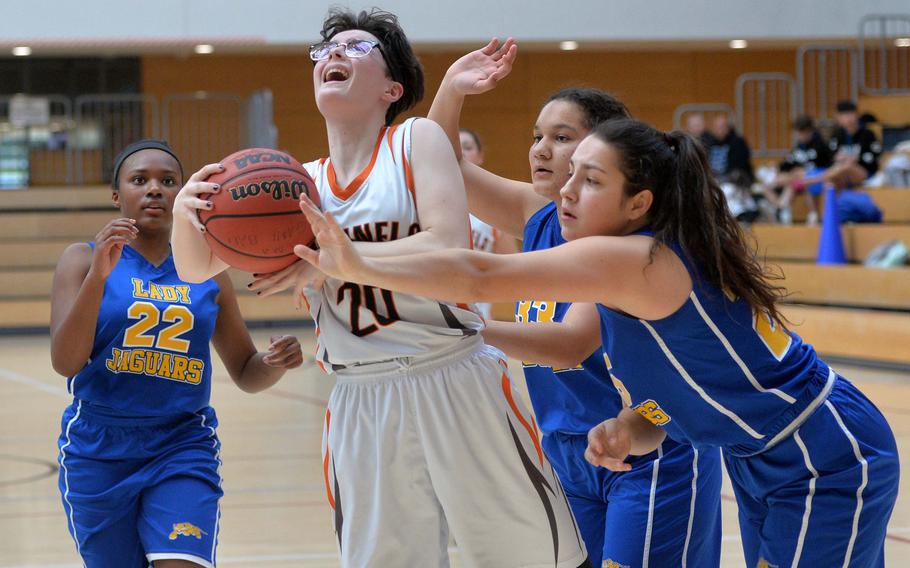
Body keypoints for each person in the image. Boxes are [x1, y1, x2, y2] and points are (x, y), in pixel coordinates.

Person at [295, 118, 900, 568]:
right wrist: (634, 426)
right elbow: (696, 386)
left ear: (639, 203)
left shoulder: (636, 259)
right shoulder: (624, 279)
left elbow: (479, 275)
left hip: (824, 453)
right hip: (761, 458)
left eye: (590, 180)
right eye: (569, 176)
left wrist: (353, 262)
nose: (566, 191)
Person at [170, 9, 588, 568]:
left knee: (531, 556)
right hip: (359, 399)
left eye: (356, 46)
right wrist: (186, 212)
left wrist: (335, 263)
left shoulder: (416, 141)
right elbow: (197, 270)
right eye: (325, 50)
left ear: (392, 88)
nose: (334, 55)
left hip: (451, 373)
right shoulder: (297, 184)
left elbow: (445, 244)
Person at [428, 41, 721, 567]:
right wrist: (451, 89)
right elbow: (438, 169)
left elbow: (568, 345)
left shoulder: (628, 244)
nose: (540, 149)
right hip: (566, 447)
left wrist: (460, 329)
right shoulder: (538, 214)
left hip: (647, 446)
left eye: (561, 138)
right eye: (537, 136)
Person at [50, 140, 303, 568]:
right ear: (117, 195)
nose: (155, 190)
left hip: (181, 443)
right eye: (139, 180)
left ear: (184, 194)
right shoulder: (82, 259)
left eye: (168, 181)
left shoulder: (208, 270)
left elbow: (245, 370)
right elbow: (66, 362)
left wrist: (273, 364)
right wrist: (98, 277)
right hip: (98, 446)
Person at [458, 127, 519, 320]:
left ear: (480, 155)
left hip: (479, 319)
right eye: (454, 146)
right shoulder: (423, 203)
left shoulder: (494, 211)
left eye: (467, 147)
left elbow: (515, 270)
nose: (460, 152)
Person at [763, 115, 834, 223]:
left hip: (816, 179)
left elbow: (828, 166)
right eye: (798, 133)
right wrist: (776, 166)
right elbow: (787, 163)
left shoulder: (821, 145)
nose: (799, 136)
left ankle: (806, 213)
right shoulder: (799, 146)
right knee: (768, 185)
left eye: (801, 133)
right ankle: (780, 209)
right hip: (797, 180)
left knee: (797, 177)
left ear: (809, 131)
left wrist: (801, 172)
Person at [701, 113, 754, 184]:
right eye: (716, 127)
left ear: (728, 128)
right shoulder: (709, 142)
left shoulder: (738, 142)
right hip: (714, 177)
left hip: (733, 178)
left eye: (722, 127)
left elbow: (740, 166)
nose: (719, 130)